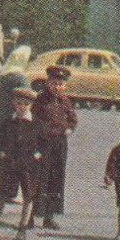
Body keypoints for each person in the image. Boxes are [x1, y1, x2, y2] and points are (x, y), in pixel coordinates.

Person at [0, 86, 43, 240]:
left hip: (28, 167)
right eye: (19, 103)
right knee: (0, 197)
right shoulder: (8, 122)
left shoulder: (36, 123)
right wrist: (0, 152)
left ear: (31, 105)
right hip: (9, 165)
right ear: (14, 103)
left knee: (28, 197)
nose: (22, 107)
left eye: (25, 104)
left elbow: (44, 144)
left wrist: (37, 155)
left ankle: (22, 228)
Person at [31, 65, 77, 230]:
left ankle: (49, 217)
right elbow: (33, 119)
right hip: (43, 143)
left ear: (64, 86)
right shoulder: (40, 100)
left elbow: (73, 119)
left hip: (59, 144)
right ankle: (31, 214)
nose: (57, 87)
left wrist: (69, 129)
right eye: (53, 83)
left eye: (60, 84)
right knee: (39, 178)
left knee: (55, 179)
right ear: (47, 83)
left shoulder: (65, 101)